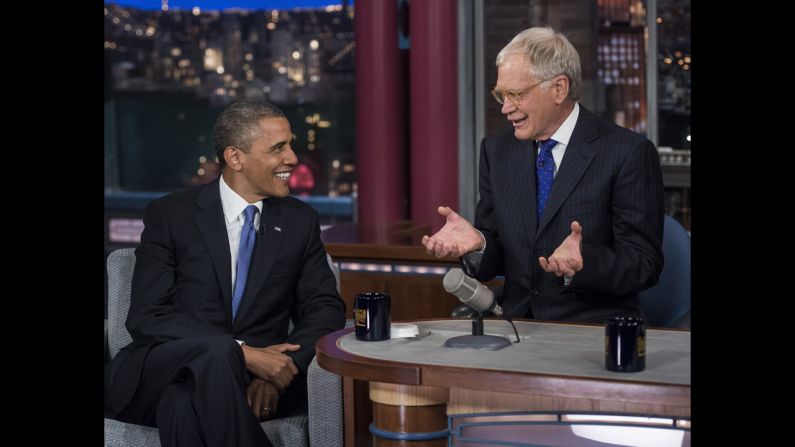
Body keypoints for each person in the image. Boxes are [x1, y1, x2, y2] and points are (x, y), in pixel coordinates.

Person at [105, 100, 346, 447]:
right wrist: (241, 352)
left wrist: (281, 371)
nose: (292, 158)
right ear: (235, 158)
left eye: (290, 145)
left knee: (181, 405)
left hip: (240, 385)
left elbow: (325, 308)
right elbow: (148, 317)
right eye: (279, 148)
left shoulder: (299, 221)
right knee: (218, 354)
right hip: (158, 372)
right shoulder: (170, 215)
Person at [422, 27, 664, 323]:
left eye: (516, 94)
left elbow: (644, 264)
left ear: (559, 89)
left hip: (592, 331)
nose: (506, 108)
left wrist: (584, 261)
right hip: (516, 328)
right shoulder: (497, 151)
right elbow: (496, 256)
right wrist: (479, 244)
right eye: (501, 94)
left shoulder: (628, 152)